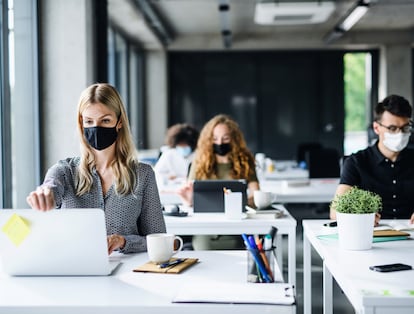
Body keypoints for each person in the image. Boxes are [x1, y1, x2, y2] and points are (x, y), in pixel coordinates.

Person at [26, 83, 166, 254]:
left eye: (105, 120)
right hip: (73, 268)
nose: (97, 127)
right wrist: (44, 194)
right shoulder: (64, 170)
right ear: (81, 123)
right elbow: (51, 187)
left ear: (119, 122)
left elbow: (159, 239)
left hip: (127, 272)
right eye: (89, 121)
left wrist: (123, 242)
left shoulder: (142, 174)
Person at [178, 114, 260, 249]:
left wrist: (240, 202)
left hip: (236, 228)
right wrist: (188, 201)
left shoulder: (245, 161)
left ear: (234, 139)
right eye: (215, 139)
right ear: (209, 140)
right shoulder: (199, 163)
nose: (220, 143)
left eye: (225, 138)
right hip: (206, 229)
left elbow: (255, 193)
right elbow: (191, 196)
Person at [330, 94, 414, 225]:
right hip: (371, 237)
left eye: (405, 128)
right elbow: (335, 212)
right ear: (376, 128)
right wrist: (359, 216)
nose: (400, 134)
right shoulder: (356, 162)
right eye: (392, 128)